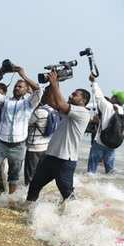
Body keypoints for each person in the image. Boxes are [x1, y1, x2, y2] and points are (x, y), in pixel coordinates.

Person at [26, 72, 91, 202]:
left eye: (75, 95)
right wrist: (52, 83)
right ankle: (28, 210)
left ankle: (75, 215)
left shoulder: (83, 112)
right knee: (34, 185)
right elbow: (51, 102)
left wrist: (55, 83)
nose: (71, 95)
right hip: (50, 156)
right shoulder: (70, 110)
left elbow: (61, 104)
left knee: (66, 193)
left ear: (83, 100)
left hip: (65, 160)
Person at [0, 64, 41, 194]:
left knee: (14, 176)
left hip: (18, 145)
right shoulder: (5, 101)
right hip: (0, 143)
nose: (17, 88)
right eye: (16, 86)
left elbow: (38, 91)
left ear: (27, 89)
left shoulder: (29, 103)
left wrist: (23, 75)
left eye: (20, 86)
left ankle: (10, 201)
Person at [87, 78, 123, 174]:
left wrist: (93, 82)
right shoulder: (122, 112)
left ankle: (91, 187)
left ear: (115, 98)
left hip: (99, 143)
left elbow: (98, 96)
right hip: (113, 145)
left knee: (91, 171)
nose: (111, 96)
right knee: (110, 172)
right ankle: (109, 188)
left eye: (113, 95)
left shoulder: (108, 106)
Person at [25, 89, 55, 184]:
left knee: (30, 175)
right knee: (40, 174)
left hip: (34, 147)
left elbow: (26, 122)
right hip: (46, 146)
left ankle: (27, 194)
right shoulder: (51, 110)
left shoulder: (39, 112)